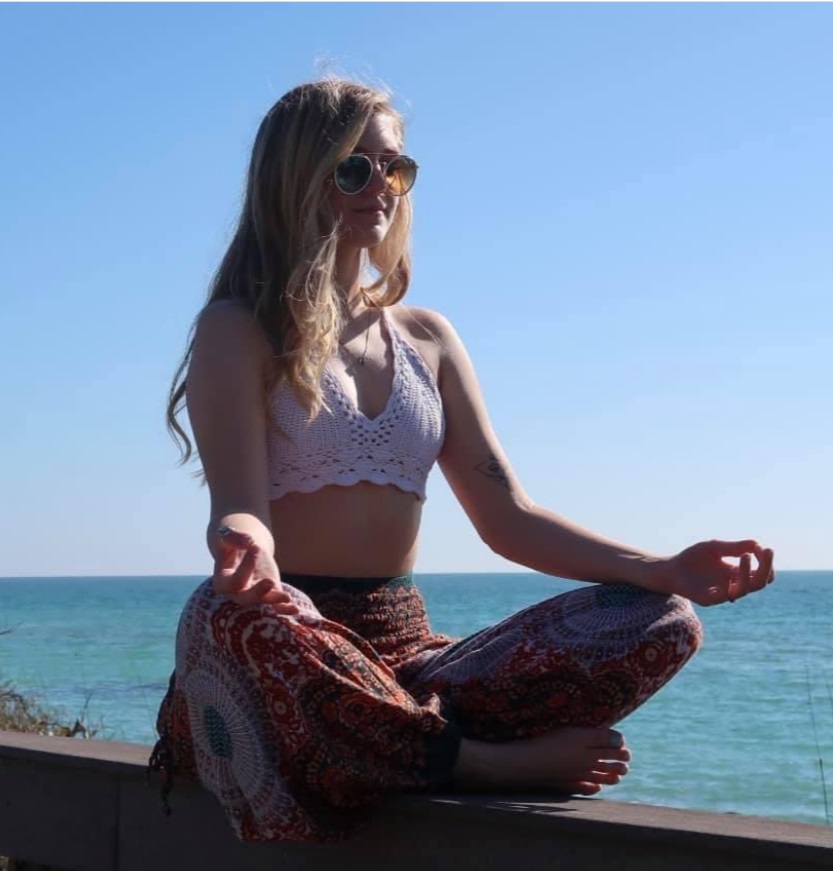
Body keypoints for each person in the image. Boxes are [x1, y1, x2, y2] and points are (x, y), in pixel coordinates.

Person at [149, 77, 775, 843]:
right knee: (228, 623)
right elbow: (239, 502)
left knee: (660, 622)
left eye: (395, 168)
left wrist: (662, 567)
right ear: (297, 176)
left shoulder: (428, 338)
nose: (381, 188)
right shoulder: (238, 328)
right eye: (355, 168)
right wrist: (246, 547)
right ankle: (484, 761)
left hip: (407, 656)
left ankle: (394, 740)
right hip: (295, 634)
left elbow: (506, 514)